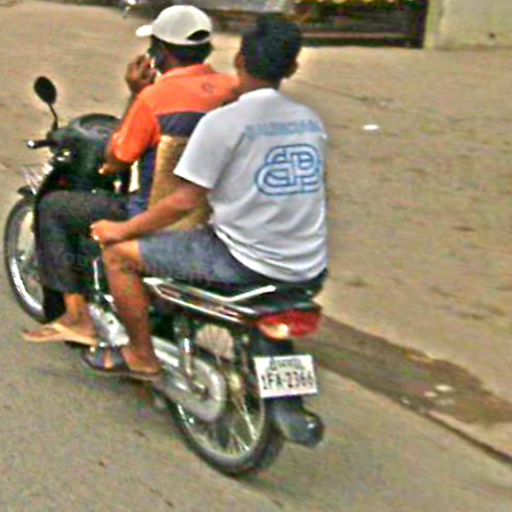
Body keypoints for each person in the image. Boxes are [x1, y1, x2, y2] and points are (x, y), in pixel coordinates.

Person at [86, 14, 328, 380]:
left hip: (243, 262)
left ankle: (140, 355)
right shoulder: (309, 121)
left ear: (240, 60)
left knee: (119, 257)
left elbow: (182, 202)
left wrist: (120, 231)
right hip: (309, 268)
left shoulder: (224, 122)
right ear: (292, 67)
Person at [23, 5, 236, 345]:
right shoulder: (233, 90)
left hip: (156, 213)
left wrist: (136, 94)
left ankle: (77, 316)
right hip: (216, 212)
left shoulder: (154, 99)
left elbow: (117, 159)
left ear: (160, 52)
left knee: (54, 208)